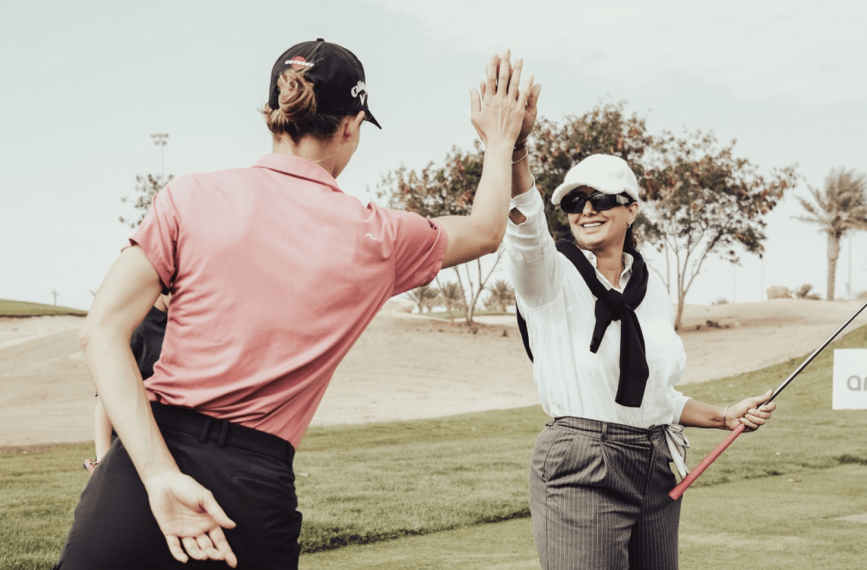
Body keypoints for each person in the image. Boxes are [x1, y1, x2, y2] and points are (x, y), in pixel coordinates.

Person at [55, 40, 538, 570]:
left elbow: (100, 333)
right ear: (351, 127)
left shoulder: (188, 196)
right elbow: (487, 230)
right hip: (252, 487)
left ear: (274, 114)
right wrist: (501, 138)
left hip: (142, 467)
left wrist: (158, 476)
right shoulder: (376, 236)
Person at [504, 130, 776, 566]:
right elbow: (526, 226)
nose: (587, 210)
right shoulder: (548, 273)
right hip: (581, 464)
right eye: (575, 202)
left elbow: (654, 397)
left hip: (655, 462)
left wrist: (725, 416)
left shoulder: (652, 287)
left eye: (602, 199)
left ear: (631, 208)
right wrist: (516, 152)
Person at [83, 293, 171, 474]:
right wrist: (102, 460)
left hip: (165, 444)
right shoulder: (135, 327)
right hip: (127, 446)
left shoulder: (177, 328)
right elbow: (105, 397)